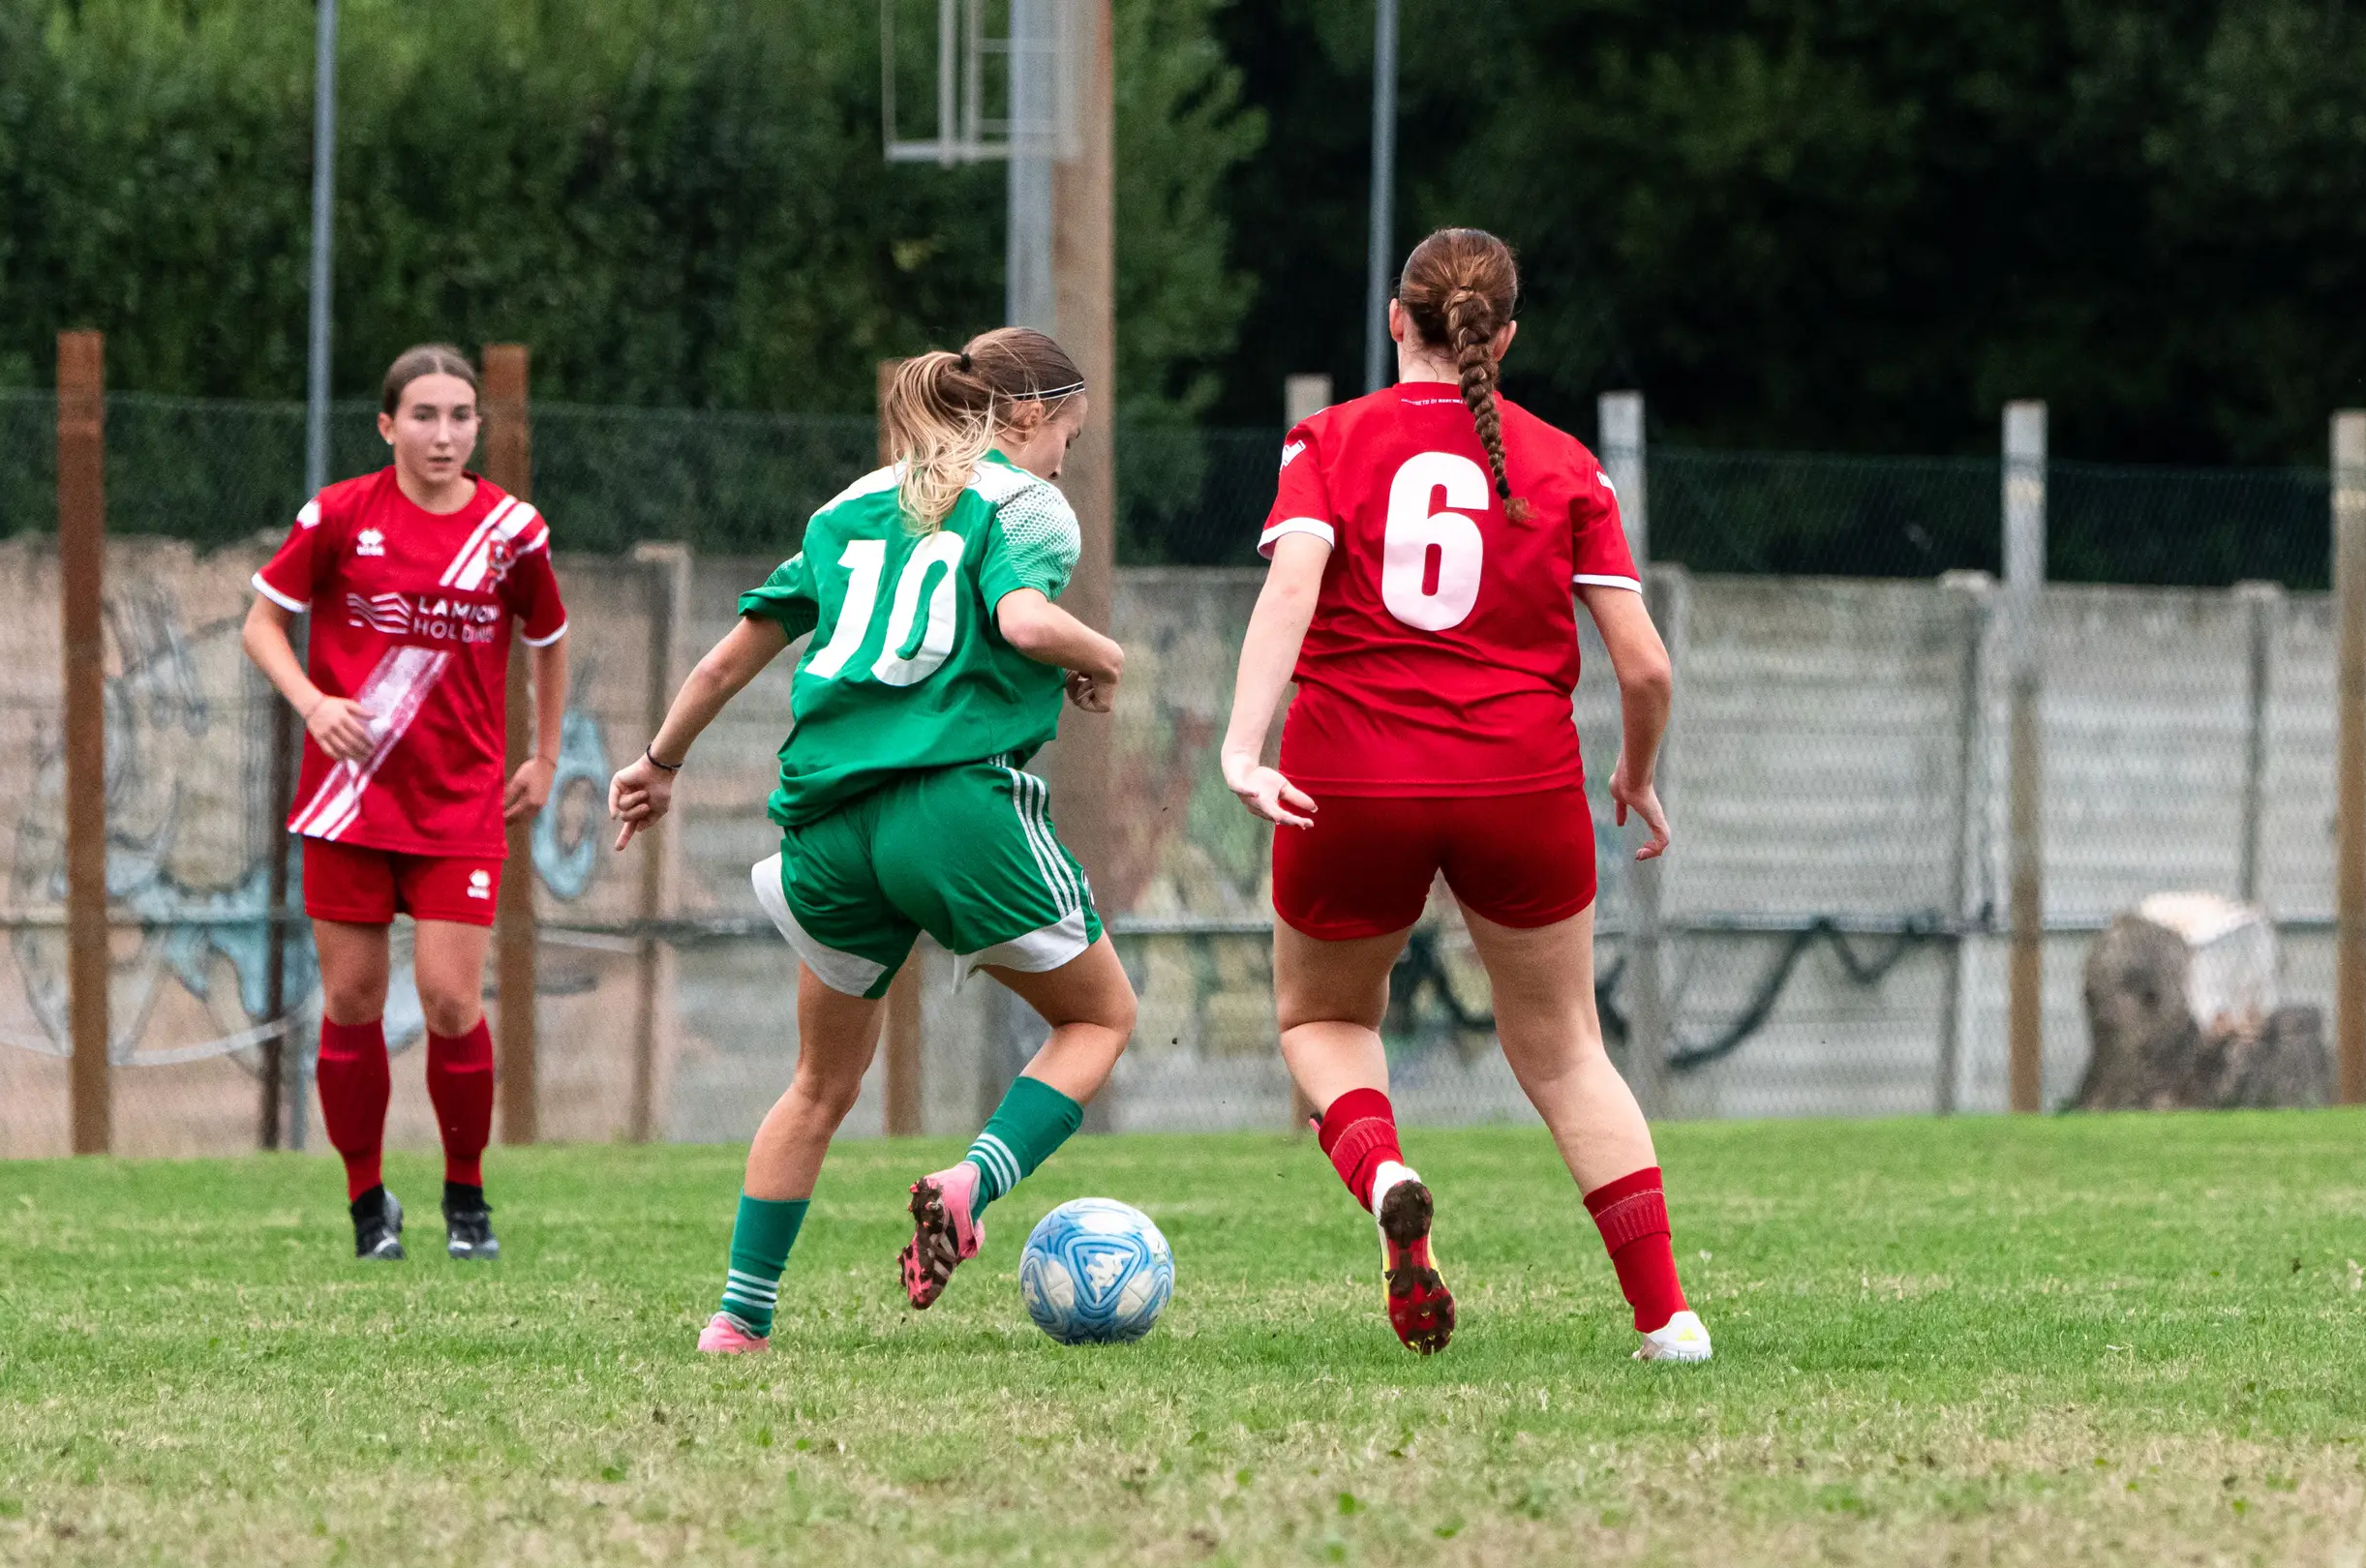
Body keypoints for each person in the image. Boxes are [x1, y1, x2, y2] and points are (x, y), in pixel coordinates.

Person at [1220, 228, 1711, 1362]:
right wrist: (1633, 773)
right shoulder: (1564, 467)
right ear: (1506, 337)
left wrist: (1246, 750)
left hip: (1355, 772)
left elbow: (1290, 588)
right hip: (1519, 781)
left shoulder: (1329, 442)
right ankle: (1665, 1316)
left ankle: (1386, 1169)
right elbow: (1645, 666)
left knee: (1325, 1018)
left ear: (1398, 322)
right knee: (1565, 1050)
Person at [607, 327, 1136, 1355]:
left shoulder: (851, 504)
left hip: (826, 822)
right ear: (1028, 416)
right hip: (950, 808)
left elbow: (726, 661)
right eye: (1068, 434)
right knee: (1101, 1020)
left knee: (818, 1082)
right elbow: (1025, 622)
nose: (1067, 455)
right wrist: (1102, 655)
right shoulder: (1026, 502)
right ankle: (968, 1180)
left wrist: (659, 764)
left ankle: (739, 1317)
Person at [241, 344, 569, 1263]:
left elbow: (549, 636)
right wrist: (313, 703)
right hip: (347, 802)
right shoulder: (342, 514)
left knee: (449, 999)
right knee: (349, 1000)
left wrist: (544, 755)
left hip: (460, 803)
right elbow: (261, 620)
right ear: (388, 426)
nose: (444, 433)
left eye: (461, 416)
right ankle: (366, 1203)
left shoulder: (512, 531)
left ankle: (466, 1198)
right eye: (423, 415)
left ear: (478, 426)